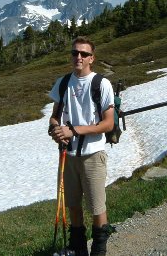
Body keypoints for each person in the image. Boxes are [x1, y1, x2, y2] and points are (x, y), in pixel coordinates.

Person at [48, 36, 115, 256]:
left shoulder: (101, 84)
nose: (78, 57)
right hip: (69, 155)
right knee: (74, 205)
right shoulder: (64, 82)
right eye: (75, 53)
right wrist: (56, 131)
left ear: (91, 59)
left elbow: (108, 123)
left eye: (84, 54)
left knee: (97, 208)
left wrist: (73, 130)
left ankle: (98, 251)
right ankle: (78, 249)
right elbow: (54, 117)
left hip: (93, 155)